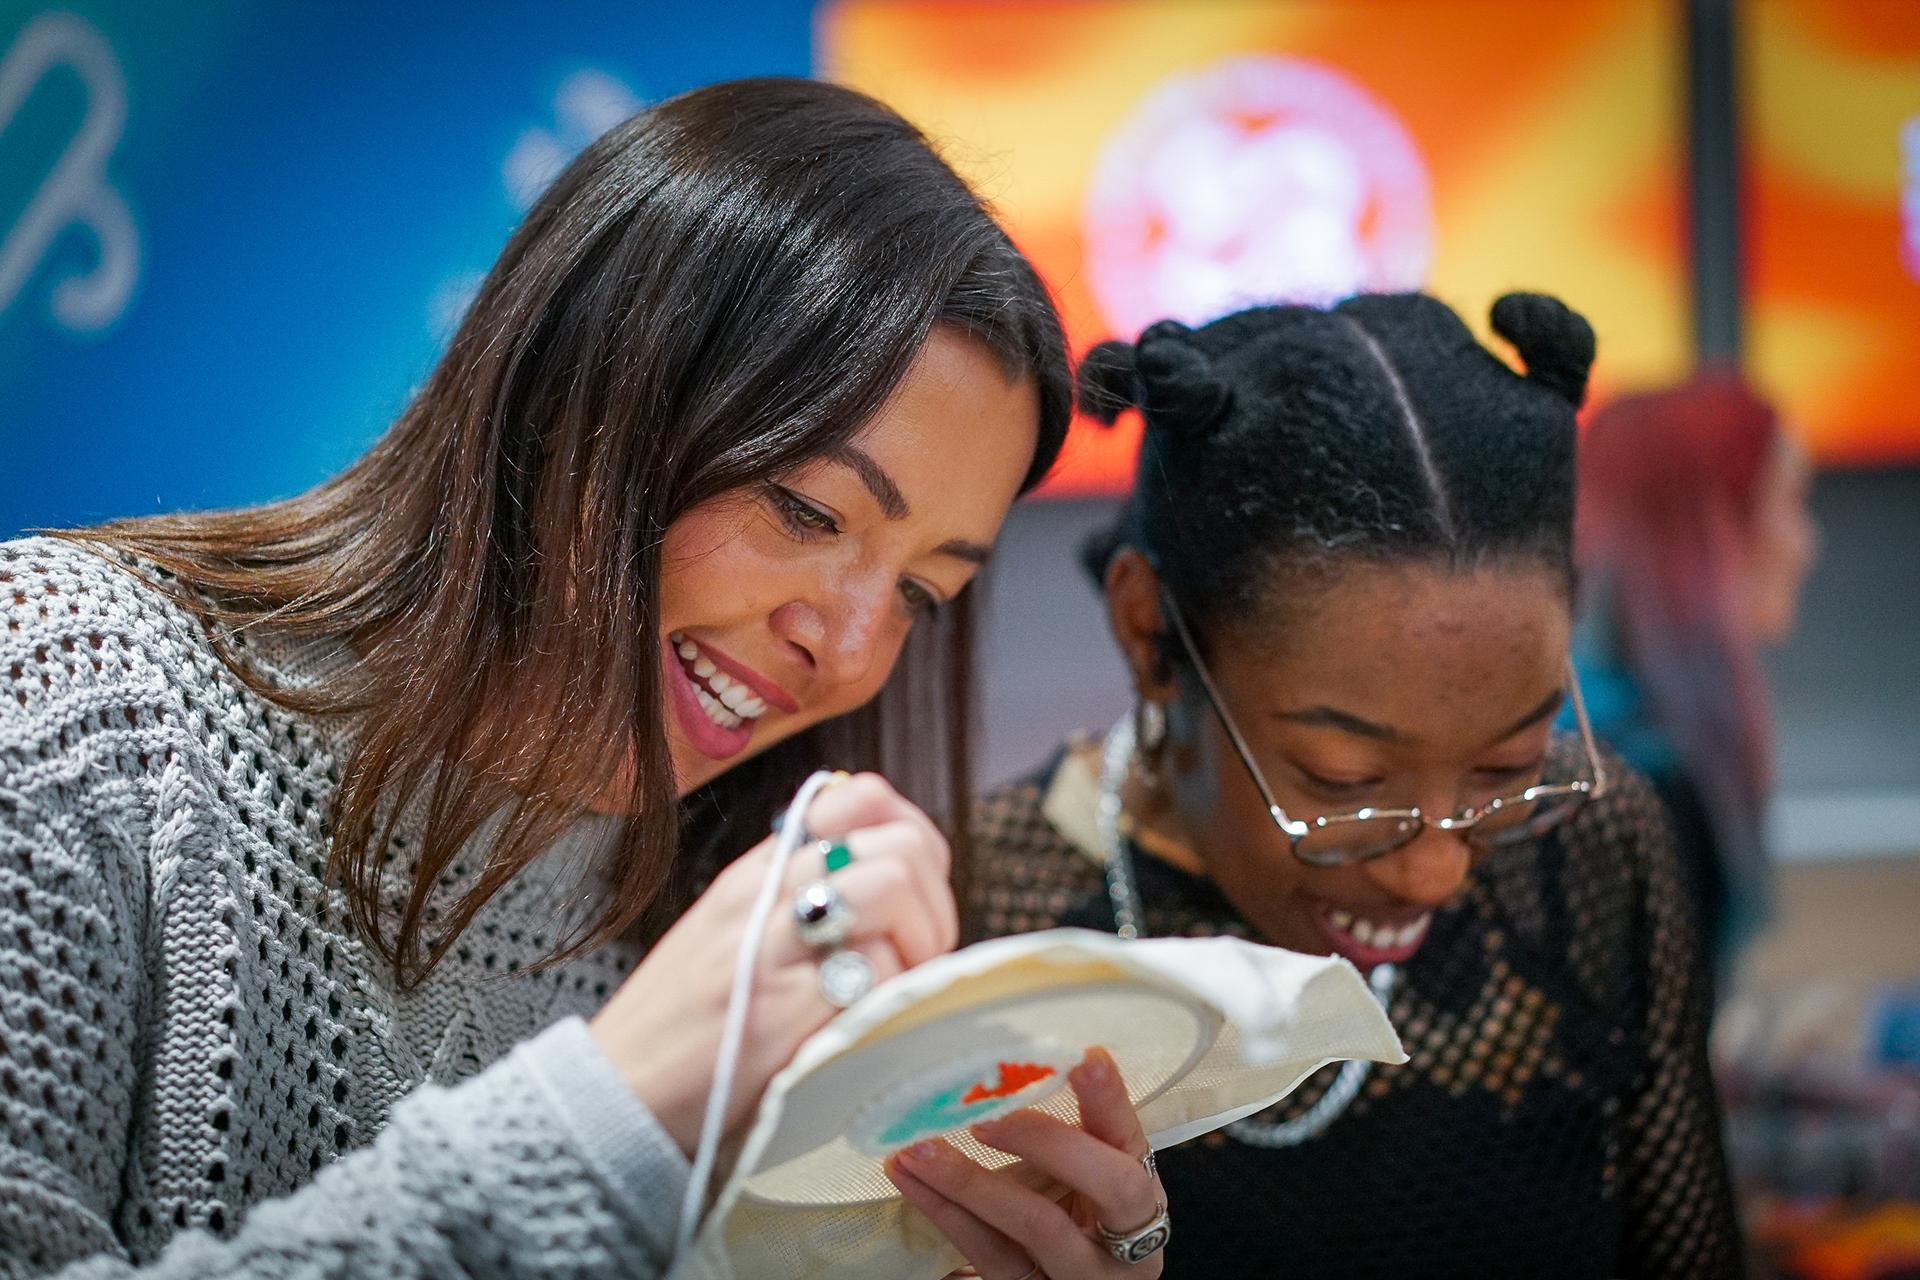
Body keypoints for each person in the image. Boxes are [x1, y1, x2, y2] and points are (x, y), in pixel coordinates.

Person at [0, 78, 1168, 1280]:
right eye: (805, 509)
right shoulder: (74, 691)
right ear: (581, 399)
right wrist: (606, 1111)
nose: (855, 648)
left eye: (923, 590)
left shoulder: (736, 903)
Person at [968, 293, 1745, 1277]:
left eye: (1507, 766)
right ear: (1149, 629)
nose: (1434, 873)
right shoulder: (979, 913)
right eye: (1346, 781)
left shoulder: (1593, 848)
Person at [1573, 373, 1817, 983]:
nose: (1806, 543)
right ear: (1708, 533)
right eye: (1790, 502)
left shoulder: (1594, 739)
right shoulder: (1644, 787)